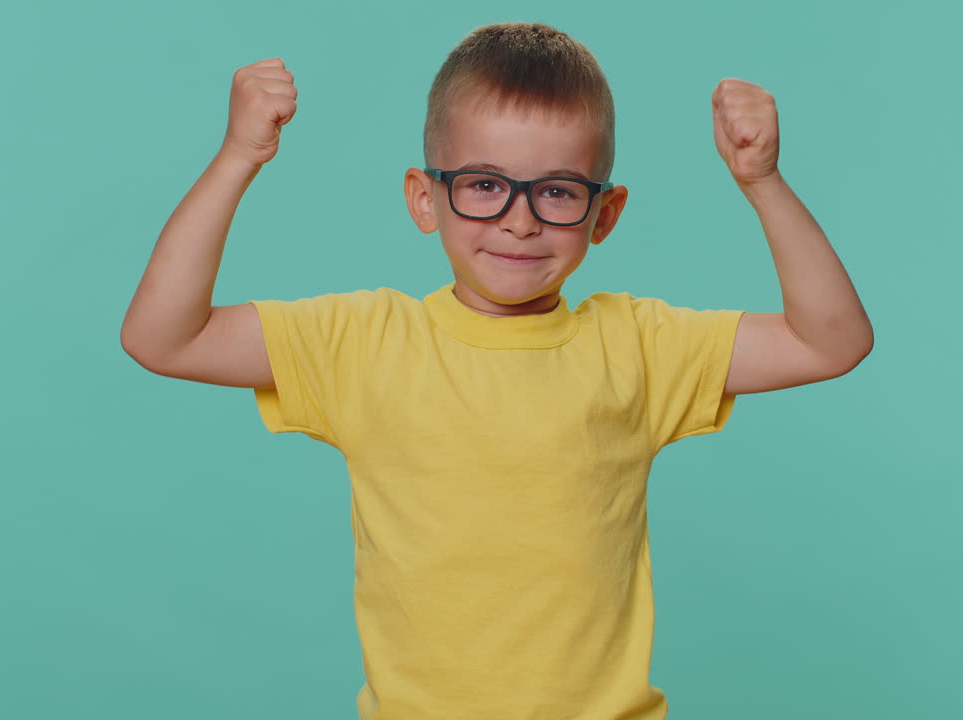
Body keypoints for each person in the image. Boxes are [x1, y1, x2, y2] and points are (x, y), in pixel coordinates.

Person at [120, 21, 873, 720]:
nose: (520, 220)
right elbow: (163, 338)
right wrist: (237, 157)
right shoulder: (363, 341)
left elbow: (830, 343)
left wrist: (763, 184)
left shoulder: (639, 346)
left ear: (603, 215)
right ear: (426, 198)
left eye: (556, 191)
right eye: (484, 185)